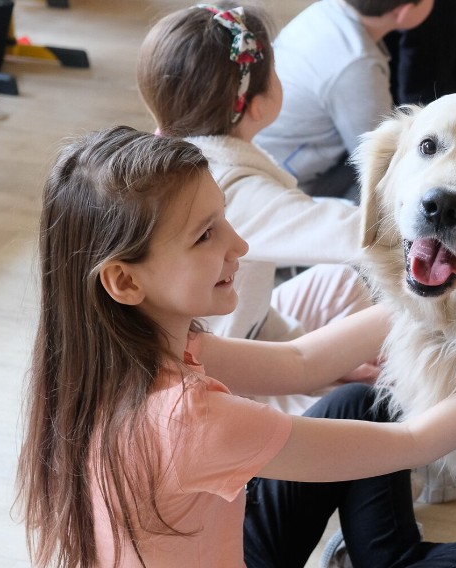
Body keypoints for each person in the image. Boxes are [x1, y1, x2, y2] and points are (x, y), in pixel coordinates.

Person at [15, 125, 456, 568]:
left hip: (219, 540)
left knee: (356, 399)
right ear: (126, 280)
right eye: (206, 235)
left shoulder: (117, 349)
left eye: (224, 218)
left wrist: (430, 295)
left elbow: (299, 363)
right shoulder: (187, 421)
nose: (240, 244)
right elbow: (416, 443)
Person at [137, 3, 374, 415]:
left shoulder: (190, 155)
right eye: (276, 72)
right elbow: (351, 234)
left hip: (243, 331)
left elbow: (255, 309)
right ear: (258, 104)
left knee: (339, 283)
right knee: (357, 405)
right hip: (217, 382)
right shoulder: (225, 187)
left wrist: (318, 358)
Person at [254, 0, 435, 201]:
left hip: (269, 149)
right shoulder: (356, 66)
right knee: (392, 176)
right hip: (286, 184)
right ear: (404, 12)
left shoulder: (326, 10)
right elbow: (382, 158)